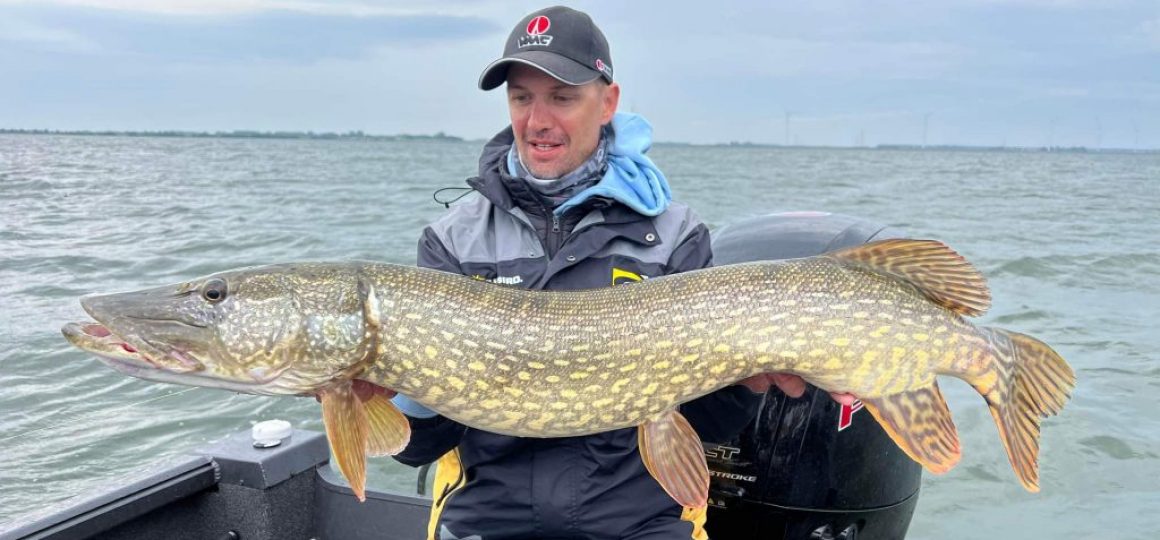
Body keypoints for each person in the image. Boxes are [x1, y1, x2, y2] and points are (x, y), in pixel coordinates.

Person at [371, 6, 849, 539]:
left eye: (562, 96)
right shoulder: (453, 239)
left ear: (608, 102)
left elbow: (706, 422)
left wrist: (747, 385)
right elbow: (420, 446)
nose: (537, 120)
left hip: (640, 521)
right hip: (486, 518)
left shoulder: (675, 234)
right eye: (522, 97)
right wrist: (382, 393)